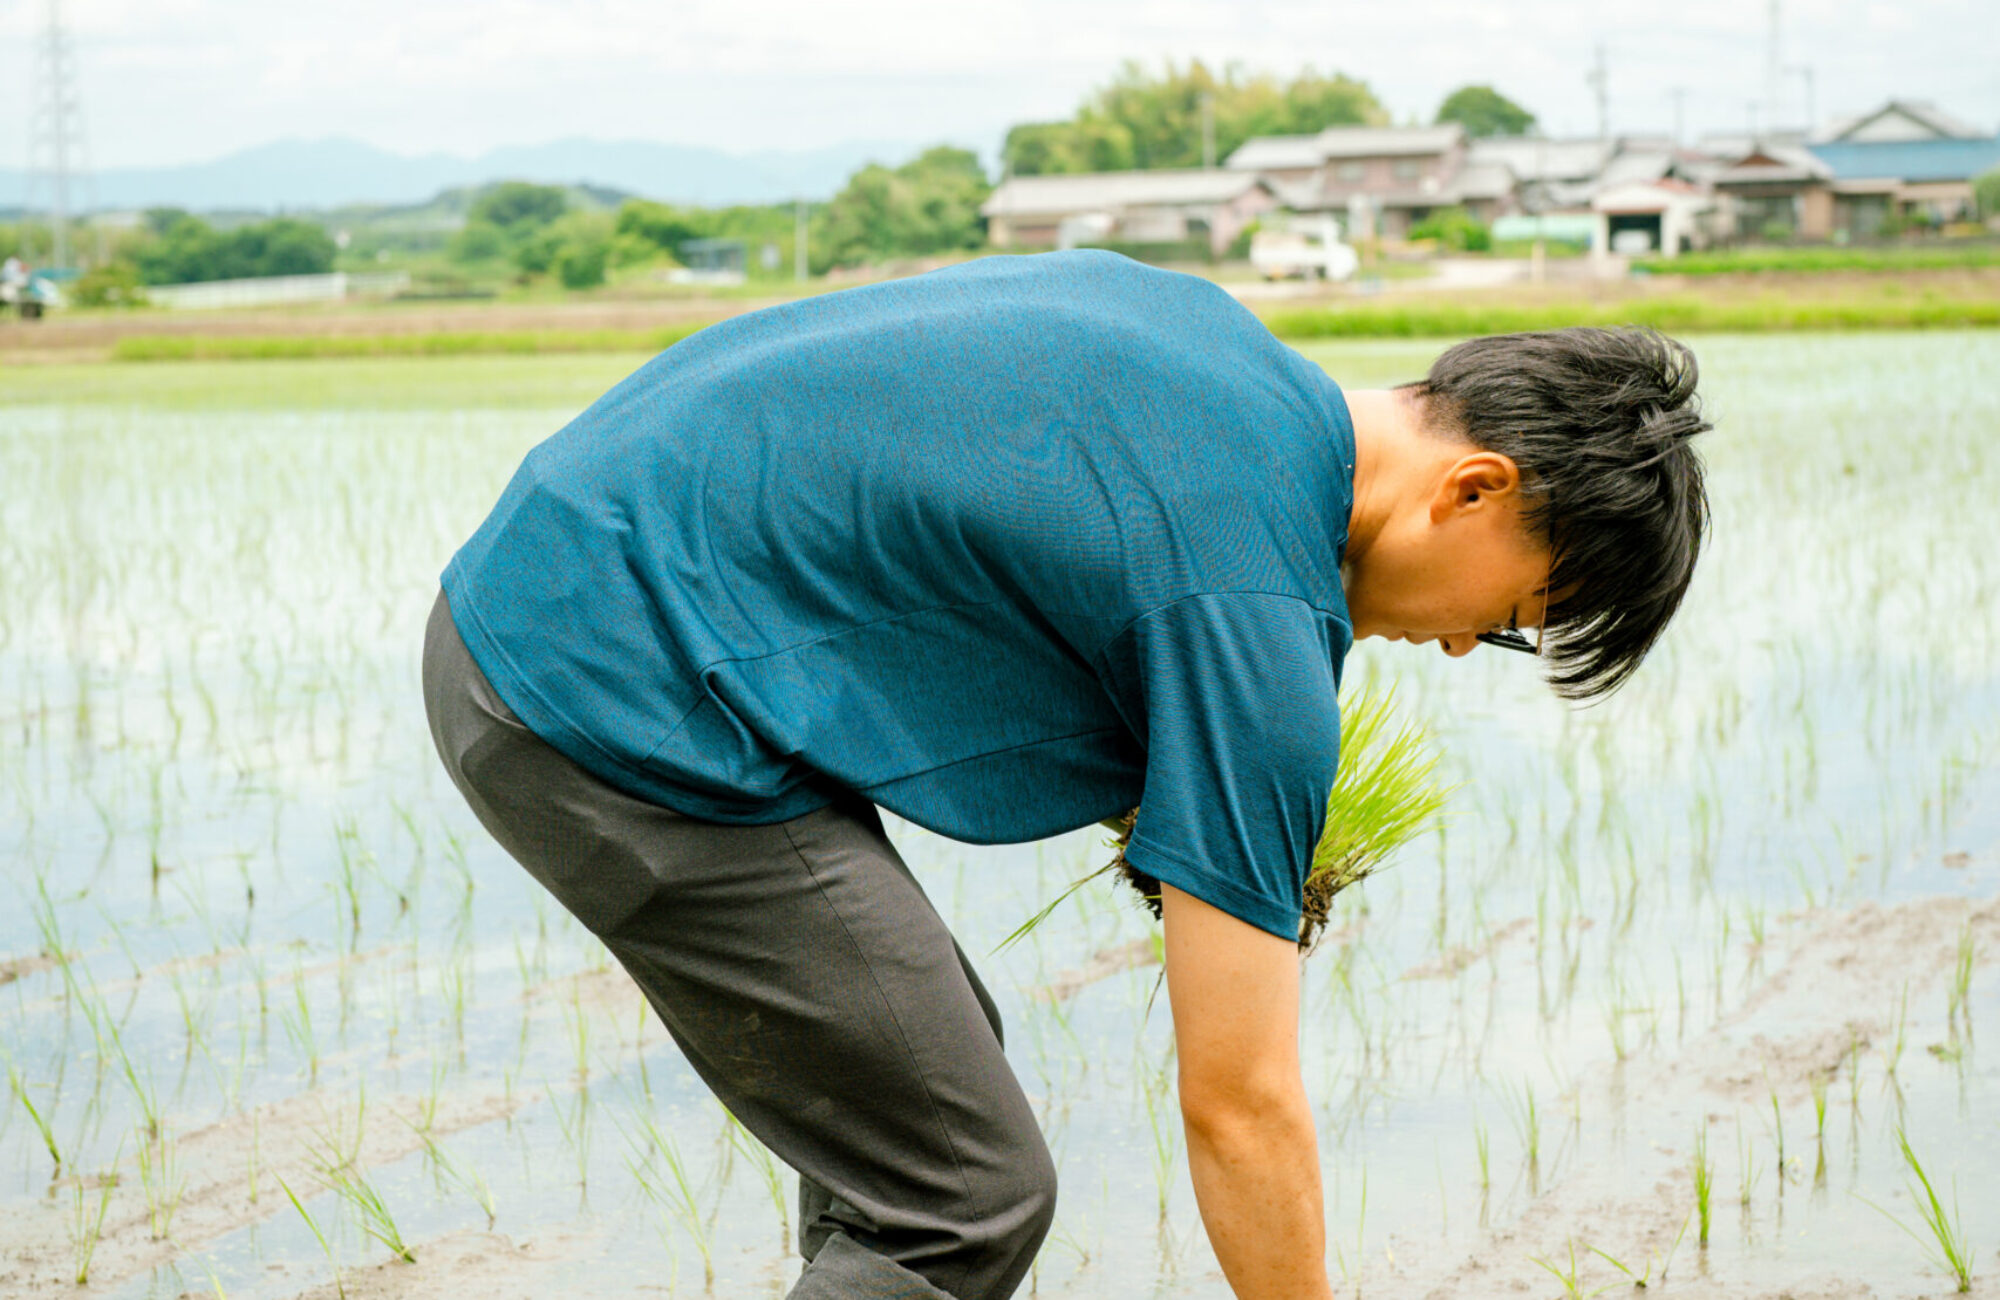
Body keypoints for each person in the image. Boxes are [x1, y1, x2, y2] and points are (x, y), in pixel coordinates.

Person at [422, 249, 1708, 1300]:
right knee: (958, 1201)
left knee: (919, 1106)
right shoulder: (1249, 611)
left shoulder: (1215, 346)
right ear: (1475, 489)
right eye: (1509, 618)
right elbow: (1241, 1103)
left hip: (567, 583)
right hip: (599, 684)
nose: (1450, 643)